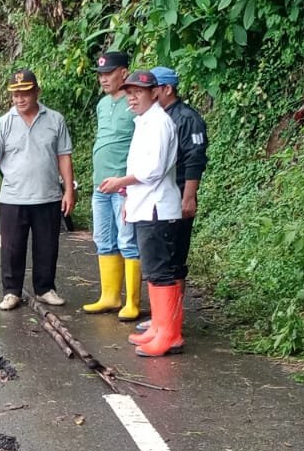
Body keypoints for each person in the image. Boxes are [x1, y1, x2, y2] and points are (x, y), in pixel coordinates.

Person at [0, 69, 75, 311]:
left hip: (47, 196)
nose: (19, 99)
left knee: (47, 246)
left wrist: (69, 190)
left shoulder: (55, 120)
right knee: (12, 248)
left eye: (24, 93)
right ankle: (11, 292)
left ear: (37, 92)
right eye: (15, 94)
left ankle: (45, 289)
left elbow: (64, 157)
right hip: (13, 198)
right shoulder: (3, 124)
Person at [94, 70, 182, 356]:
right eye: (129, 92)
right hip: (145, 206)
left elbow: (152, 170)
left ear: (155, 93)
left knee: (161, 272)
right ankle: (159, 327)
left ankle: (169, 334)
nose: (132, 97)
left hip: (158, 208)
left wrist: (122, 182)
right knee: (154, 272)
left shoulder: (158, 123)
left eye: (139, 92)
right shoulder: (144, 122)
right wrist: (127, 193)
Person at [136, 66, 209, 334]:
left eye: (153, 89)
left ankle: (171, 321)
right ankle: (164, 319)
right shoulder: (154, 118)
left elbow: (195, 160)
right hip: (159, 197)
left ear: (166, 89)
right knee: (162, 258)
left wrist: (188, 197)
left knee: (173, 257)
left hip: (177, 194)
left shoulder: (187, 118)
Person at [82, 51, 143, 322]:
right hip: (100, 184)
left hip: (123, 185)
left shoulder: (134, 103)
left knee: (127, 240)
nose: (103, 79)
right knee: (103, 239)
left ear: (124, 72)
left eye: (108, 74)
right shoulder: (101, 105)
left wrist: (129, 180)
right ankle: (109, 296)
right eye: (101, 75)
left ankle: (132, 301)